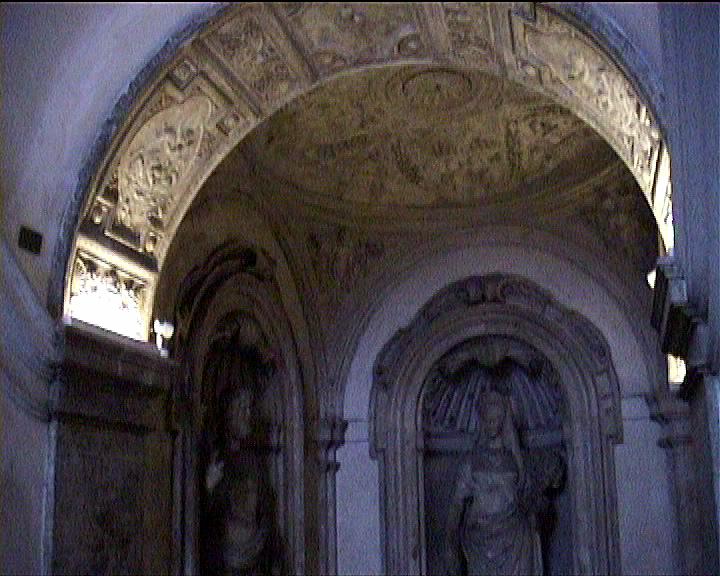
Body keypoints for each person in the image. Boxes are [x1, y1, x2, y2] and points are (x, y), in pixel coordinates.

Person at [445, 389, 542, 576]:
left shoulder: (517, 461)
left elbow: (530, 497)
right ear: (481, 420)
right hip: (480, 539)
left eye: (496, 419)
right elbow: (456, 505)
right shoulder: (471, 462)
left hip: (516, 537)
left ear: (504, 420)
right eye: (487, 419)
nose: (491, 424)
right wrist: (450, 541)